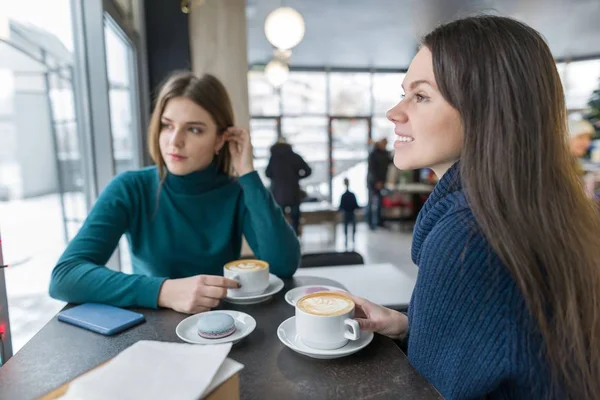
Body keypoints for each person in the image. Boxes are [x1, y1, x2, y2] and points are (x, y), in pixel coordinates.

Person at [347, 16, 600, 399]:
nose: (394, 113)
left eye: (421, 96)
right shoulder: (541, 210)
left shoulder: (466, 239)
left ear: (486, 109)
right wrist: (410, 326)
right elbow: (513, 353)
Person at [49, 72, 301, 314]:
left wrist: (247, 173)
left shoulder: (237, 192)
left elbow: (283, 265)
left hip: (220, 325)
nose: (174, 141)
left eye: (194, 129)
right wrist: (164, 291)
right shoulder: (130, 188)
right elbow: (65, 276)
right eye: (167, 126)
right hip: (149, 329)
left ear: (219, 140)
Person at [265, 138, 312, 235]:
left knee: (280, 218)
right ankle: (295, 237)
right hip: (293, 192)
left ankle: (282, 237)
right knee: (295, 218)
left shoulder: (273, 158)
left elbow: (267, 173)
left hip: (278, 193)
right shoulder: (294, 156)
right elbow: (308, 170)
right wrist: (297, 177)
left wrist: (276, 179)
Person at [366, 138, 391, 229]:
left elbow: (390, 162)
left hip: (382, 181)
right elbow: (372, 169)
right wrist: (377, 181)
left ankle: (379, 222)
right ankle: (369, 223)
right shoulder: (373, 154)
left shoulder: (385, 153)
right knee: (371, 202)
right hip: (373, 182)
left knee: (380, 203)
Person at [338, 178, 360, 249]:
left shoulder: (344, 195)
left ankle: (348, 239)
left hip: (347, 213)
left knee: (347, 227)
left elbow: (341, 206)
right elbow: (356, 205)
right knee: (351, 226)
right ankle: (351, 239)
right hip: (350, 212)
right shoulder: (351, 195)